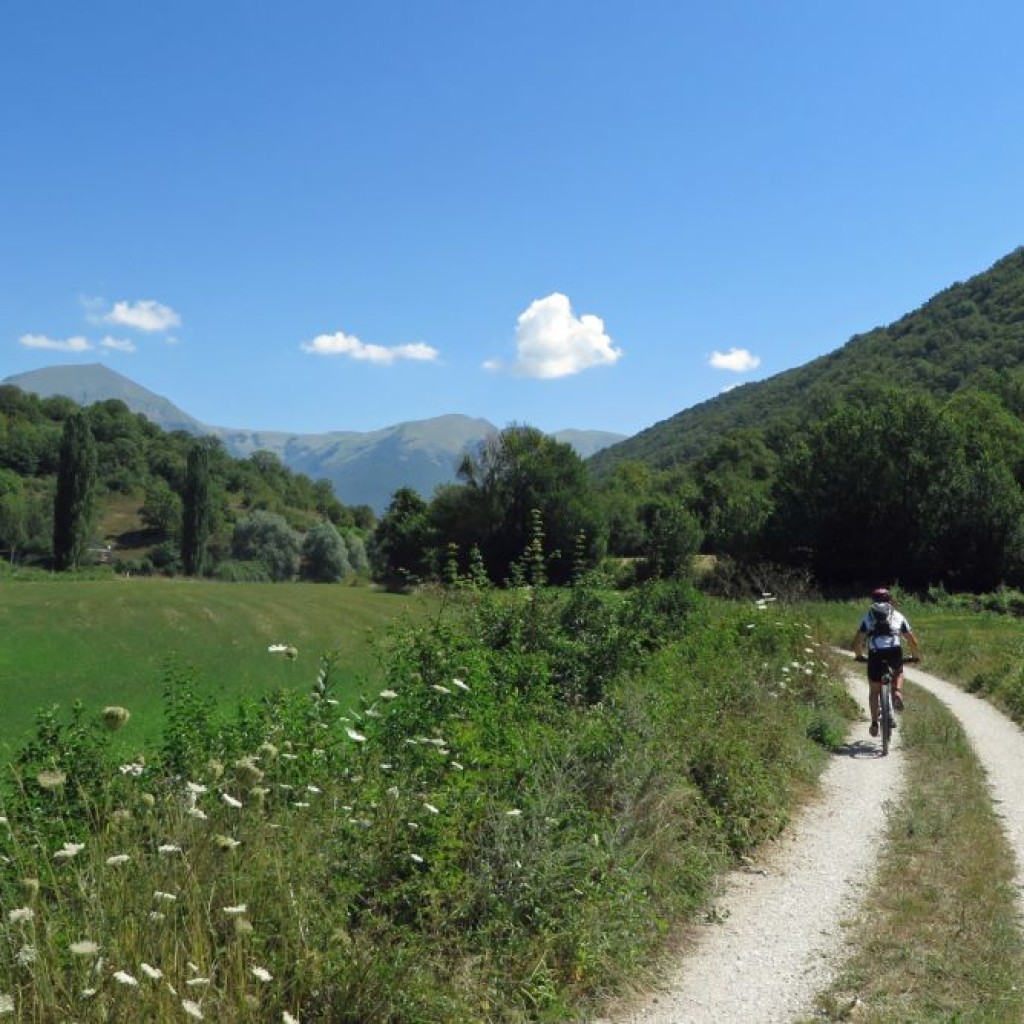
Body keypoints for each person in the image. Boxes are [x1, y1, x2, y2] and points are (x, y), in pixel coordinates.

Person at [852, 587, 920, 738]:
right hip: (894, 651)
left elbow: (858, 641)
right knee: (898, 670)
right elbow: (912, 641)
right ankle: (897, 692)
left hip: (875, 654)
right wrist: (915, 656)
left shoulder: (867, 617)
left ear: (873, 600)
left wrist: (859, 655)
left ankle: (875, 723)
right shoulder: (897, 616)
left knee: (874, 691)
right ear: (890, 600)